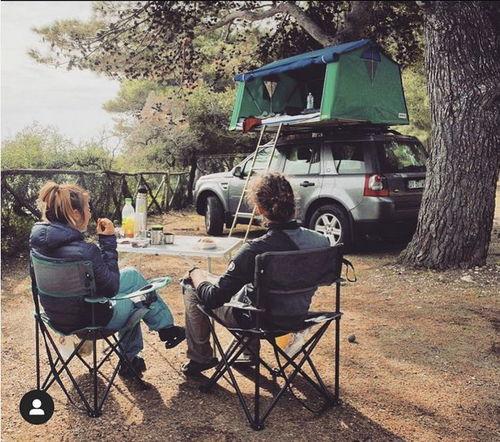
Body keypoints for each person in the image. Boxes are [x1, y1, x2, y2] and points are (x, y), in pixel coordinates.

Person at [30, 181, 185, 378]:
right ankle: (132, 358)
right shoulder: (86, 252)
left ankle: (165, 328)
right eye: (87, 208)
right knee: (137, 300)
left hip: (55, 316)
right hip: (91, 321)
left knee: (132, 275)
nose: (89, 213)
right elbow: (111, 288)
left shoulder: (37, 245)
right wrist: (108, 241)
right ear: (75, 214)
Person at [181, 172, 330, 377]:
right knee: (251, 287)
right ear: (293, 204)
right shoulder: (321, 242)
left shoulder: (255, 251)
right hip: (298, 315)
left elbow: (214, 298)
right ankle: (247, 354)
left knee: (192, 286)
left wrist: (196, 274)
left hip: (260, 322)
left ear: (259, 209)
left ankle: (201, 358)